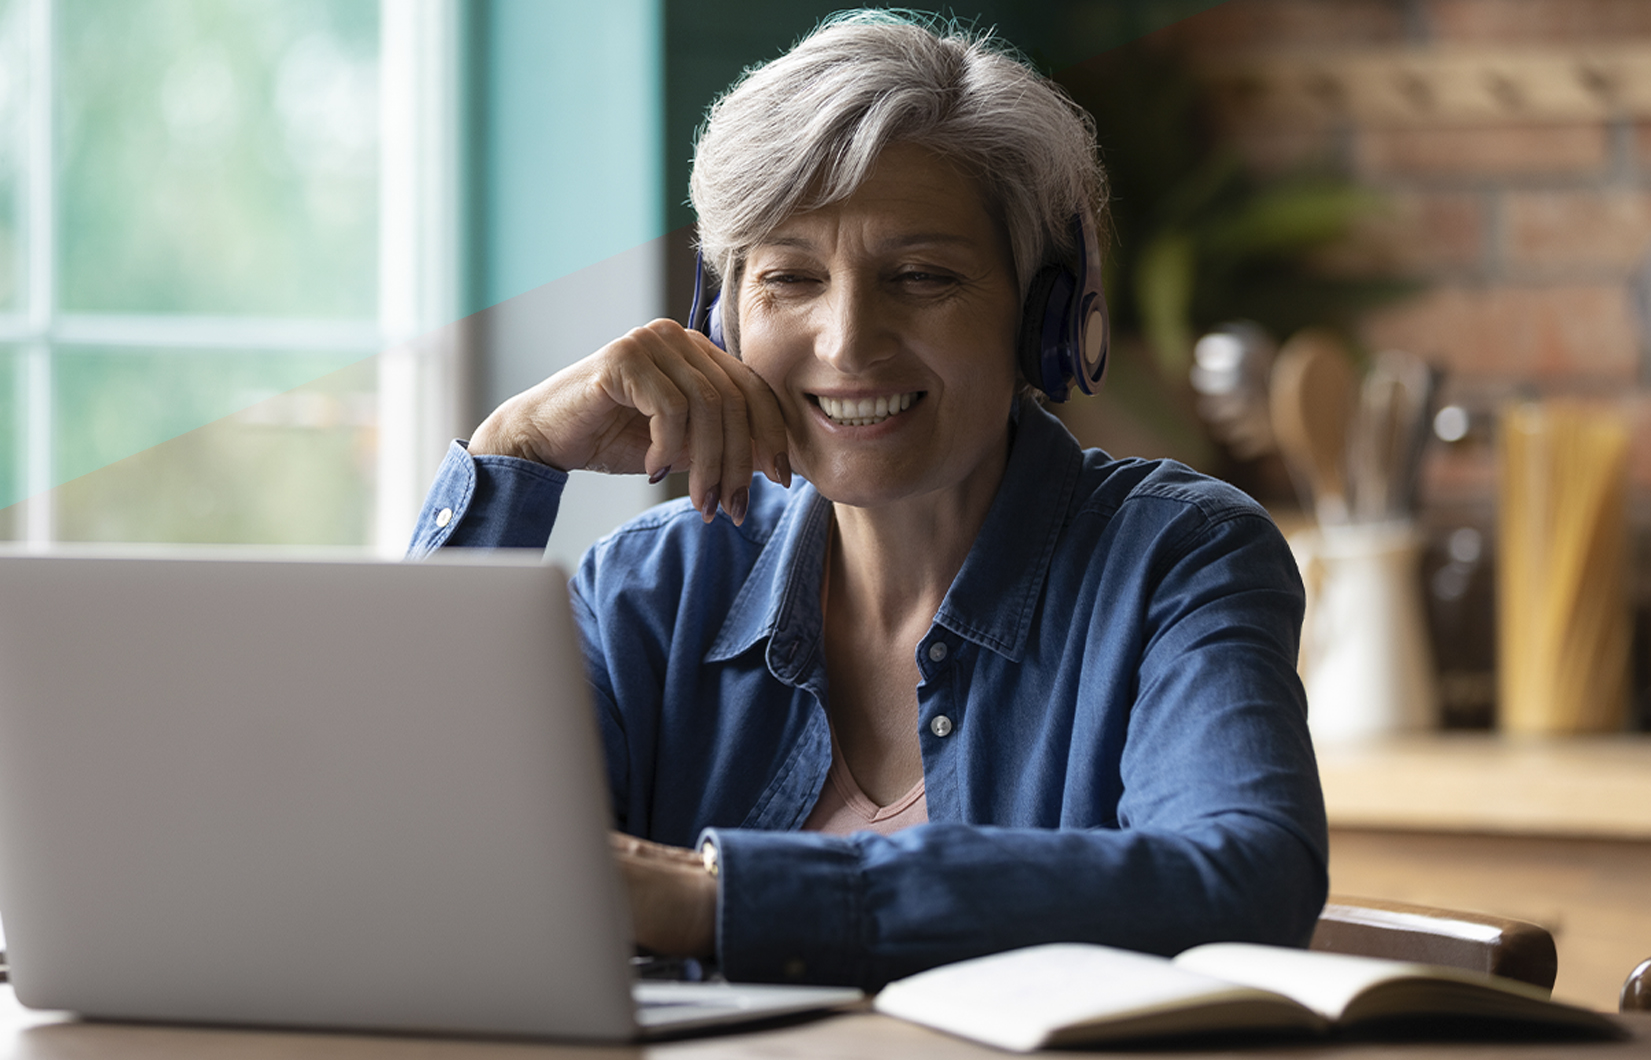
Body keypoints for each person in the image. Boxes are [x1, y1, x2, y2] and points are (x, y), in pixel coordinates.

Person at [407, 10, 1327, 991]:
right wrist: (513, 458)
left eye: (921, 277)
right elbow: (406, 857)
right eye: (790, 278)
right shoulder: (652, 587)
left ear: (1043, 319)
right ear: (718, 321)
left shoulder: (1178, 554)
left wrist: (720, 898)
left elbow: (1241, 876)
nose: (848, 341)